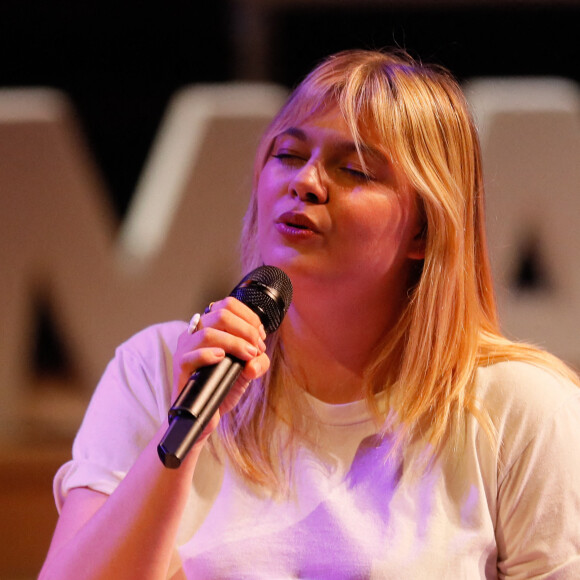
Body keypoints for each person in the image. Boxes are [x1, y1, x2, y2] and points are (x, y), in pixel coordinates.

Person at [39, 49, 580, 579]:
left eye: (354, 169)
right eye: (289, 156)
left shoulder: (521, 408)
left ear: (424, 228)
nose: (306, 182)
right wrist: (185, 428)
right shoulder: (155, 369)